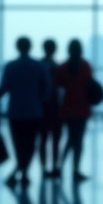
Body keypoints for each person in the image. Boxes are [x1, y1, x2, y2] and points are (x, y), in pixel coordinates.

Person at [0, 36, 50, 187]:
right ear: (30, 47)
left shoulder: (10, 66)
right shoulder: (39, 66)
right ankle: (23, 172)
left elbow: (4, 88)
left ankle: (20, 171)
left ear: (17, 47)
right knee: (30, 144)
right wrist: (38, 100)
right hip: (34, 111)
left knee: (18, 144)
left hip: (15, 111)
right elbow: (46, 90)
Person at [56, 39, 95, 182]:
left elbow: (57, 87)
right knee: (78, 141)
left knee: (71, 139)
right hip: (82, 107)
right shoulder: (85, 66)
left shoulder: (62, 67)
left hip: (68, 107)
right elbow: (90, 84)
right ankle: (75, 169)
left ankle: (60, 166)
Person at [38, 38, 63, 179]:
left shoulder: (39, 65)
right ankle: (54, 167)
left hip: (42, 106)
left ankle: (43, 168)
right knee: (55, 140)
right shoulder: (58, 67)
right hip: (55, 106)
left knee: (43, 139)